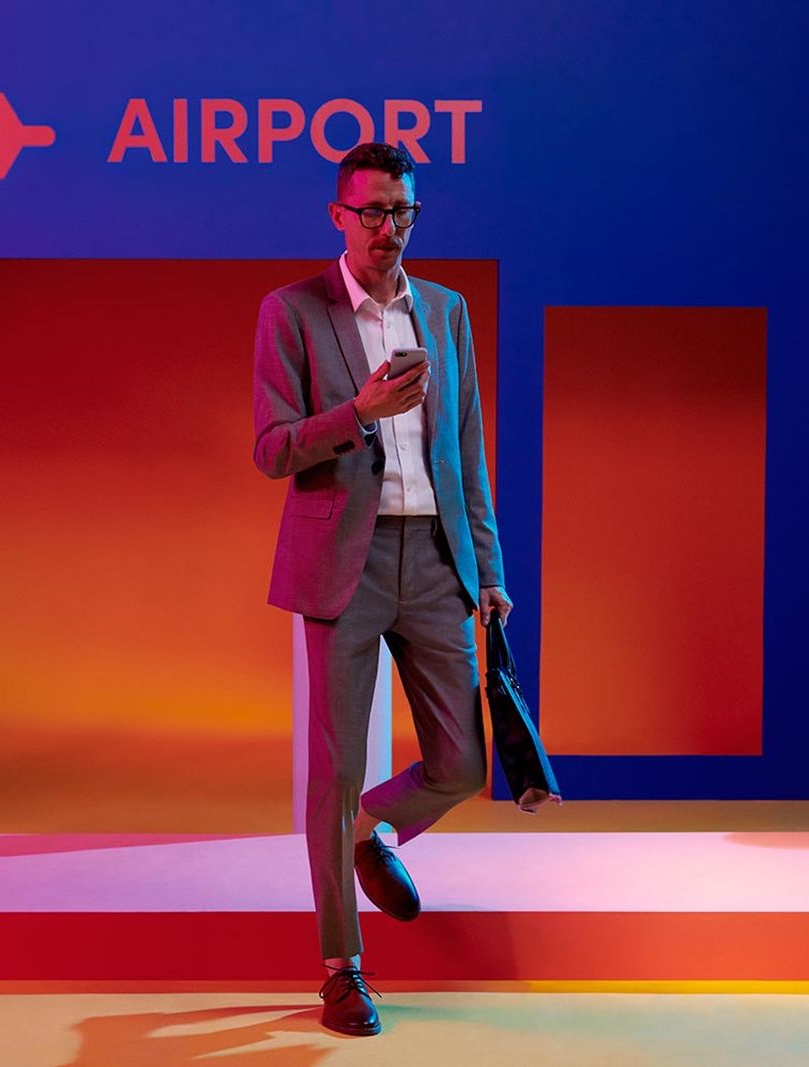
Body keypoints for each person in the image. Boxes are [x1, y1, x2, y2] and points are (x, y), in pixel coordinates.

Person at [251, 142, 510, 1037]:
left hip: (436, 559)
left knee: (465, 763)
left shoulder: (446, 310)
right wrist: (357, 413)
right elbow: (272, 447)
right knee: (334, 768)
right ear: (338, 217)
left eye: (402, 213)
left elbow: (466, 451)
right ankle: (341, 965)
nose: (387, 229)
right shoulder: (293, 312)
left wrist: (489, 567)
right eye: (371, 213)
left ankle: (372, 831)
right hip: (343, 566)